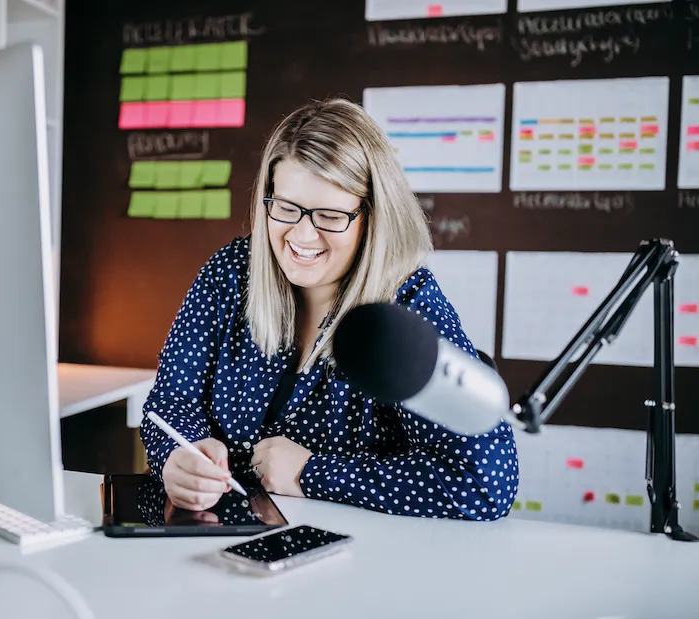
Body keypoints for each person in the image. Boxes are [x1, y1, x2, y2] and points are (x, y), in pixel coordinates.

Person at [139, 98, 518, 521]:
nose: (301, 234)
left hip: (356, 565)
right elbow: (170, 404)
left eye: (330, 215)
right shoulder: (230, 273)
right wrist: (178, 456)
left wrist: (312, 473)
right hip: (220, 548)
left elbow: (484, 483)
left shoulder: (407, 308)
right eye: (285, 208)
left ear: (372, 218)